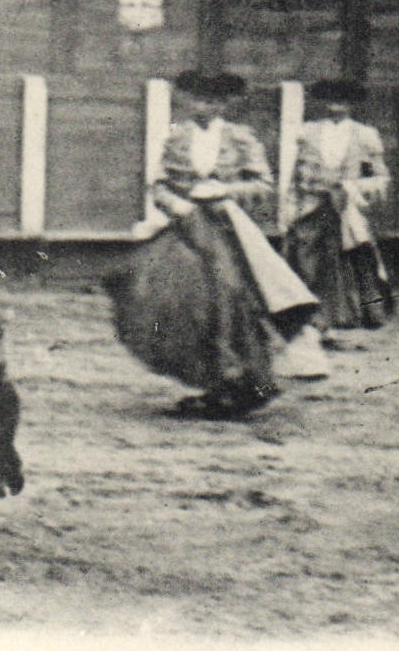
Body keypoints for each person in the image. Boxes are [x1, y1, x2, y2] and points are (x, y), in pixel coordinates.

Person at [139, 70, 329, 416]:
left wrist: (226, 192)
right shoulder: (175, 137)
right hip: (187, 226)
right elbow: (159, 186)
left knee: (234, 299)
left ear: (226, 104)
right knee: (182, 301)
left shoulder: (241, 138)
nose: (204, 106)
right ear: (186, 100)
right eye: (198, 98)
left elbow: (262, 185)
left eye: (213, 100)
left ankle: (246, 380)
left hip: (230, 230)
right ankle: (213, 384)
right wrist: (176, 203)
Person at [282, 79, 394, 336]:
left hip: (343, 206)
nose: (337, 105)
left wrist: (351, 187)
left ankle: (345, 315)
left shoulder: (364, 135)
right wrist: (290, 207)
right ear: (323, 101)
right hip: (311, 205)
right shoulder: (307, 132)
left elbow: (381, 178)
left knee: (349, 258)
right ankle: (308, 316)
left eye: (343, 99)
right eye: (331, 98)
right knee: (306, 257)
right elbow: (293, 178)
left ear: (352, 103)